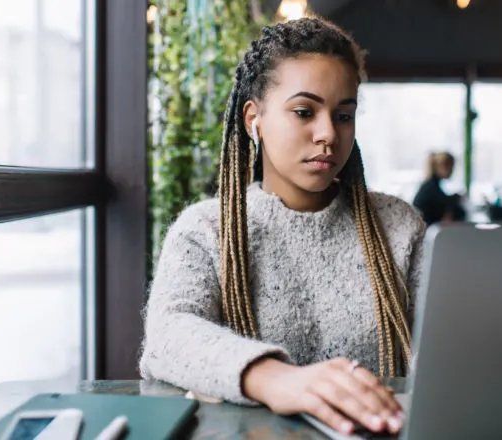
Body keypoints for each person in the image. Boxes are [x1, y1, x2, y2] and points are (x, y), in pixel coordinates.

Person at [139, 17, 424, 437]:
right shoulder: (206, 229)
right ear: (253, 118)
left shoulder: (398, 226)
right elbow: (167, 338)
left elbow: (443, 353)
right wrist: (278, 379)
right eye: (304, 112)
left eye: (343, 115)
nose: (328, 133)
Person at [412, 152, 466, 226]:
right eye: (450, 166)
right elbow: (454, 210)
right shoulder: (430, 188)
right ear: (440, 167)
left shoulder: (430, 185)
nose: (452, 170)